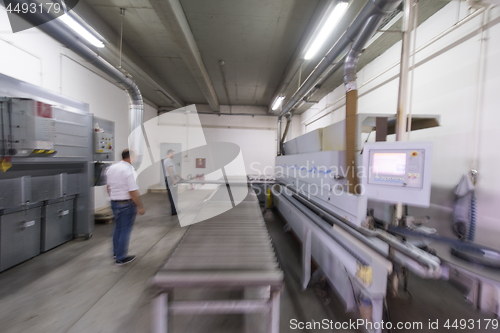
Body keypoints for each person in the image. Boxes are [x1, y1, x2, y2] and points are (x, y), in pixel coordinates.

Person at [106, 149, 145, 266]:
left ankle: (116, 252)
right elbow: (133, 191)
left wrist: (115, 199)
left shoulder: (112, 168)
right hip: (126, 204)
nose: (136, 159)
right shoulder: (129, 170)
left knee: (118, 228)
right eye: (135, 157)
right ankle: (121, 258)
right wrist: (140, 206)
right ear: (130, 157)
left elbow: (108, 187)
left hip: (114, 202)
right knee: (125, 230)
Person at [163, 149, 184, 215]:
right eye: (173, 154)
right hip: (170, 179)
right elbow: (170, 171)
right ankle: (174, 211)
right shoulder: (168, 160)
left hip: (171, 178)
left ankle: (175, 210)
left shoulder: (169, 161)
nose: (174, 155)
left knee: (174, 195)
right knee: (173, 195)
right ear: (169, 153)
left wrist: (180, 177)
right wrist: (173, 180)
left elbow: (174, 170)